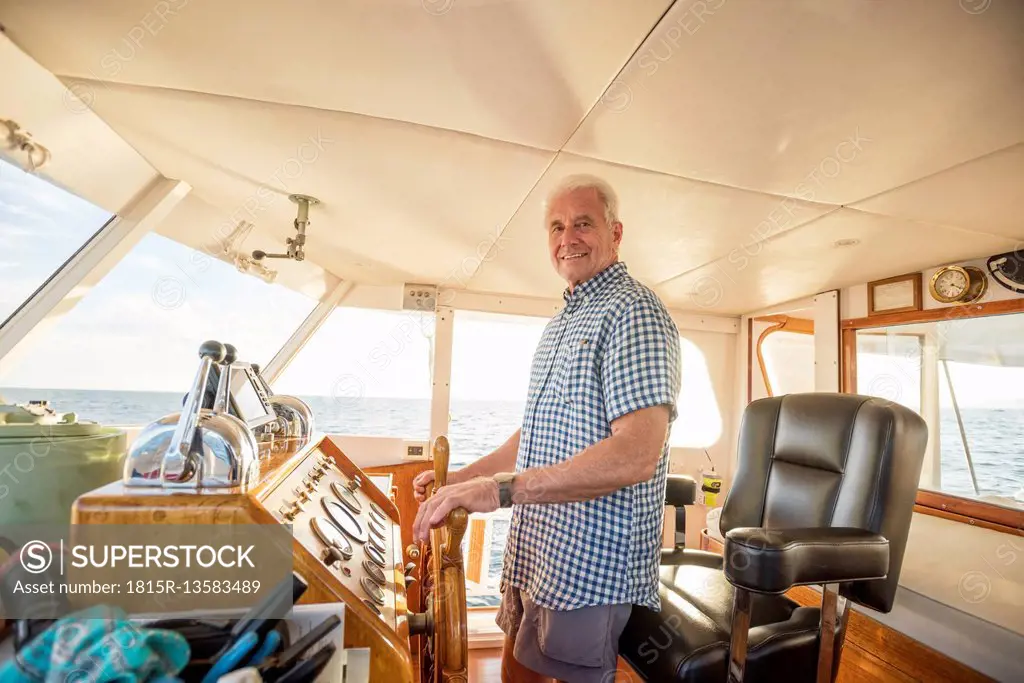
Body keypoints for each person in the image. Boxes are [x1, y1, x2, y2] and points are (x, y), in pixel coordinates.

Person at [412, 174, 681, 683]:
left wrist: (499, 491)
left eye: (583, 223)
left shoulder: (634, 311)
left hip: (589, 564)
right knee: (517, 671)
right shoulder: (561, 322)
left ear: (616, 232)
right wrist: (457, 481)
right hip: (538, 549)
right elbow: (531, 436)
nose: (567, 238)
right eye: (556, 227)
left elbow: (635, 454)